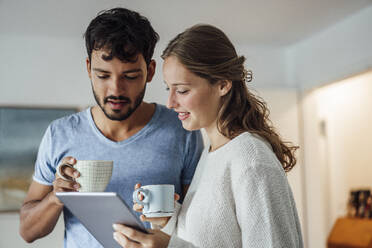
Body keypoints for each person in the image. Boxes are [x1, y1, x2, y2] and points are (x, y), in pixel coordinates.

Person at [19, 8, 203, 247]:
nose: (116, 90)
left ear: (151, 71)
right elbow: (27, 231)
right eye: (103, 75)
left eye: (130, 76)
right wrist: (57, 197)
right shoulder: (60, 134)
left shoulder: (181, 129)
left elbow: (199, 227)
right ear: (88, 69)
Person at [113, 24, 304, 247]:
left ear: (222, 84)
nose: (171, 103)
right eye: (169, 89)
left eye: (182, 90)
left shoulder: (250, 159)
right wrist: (167, 219)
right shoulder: (212, 152)